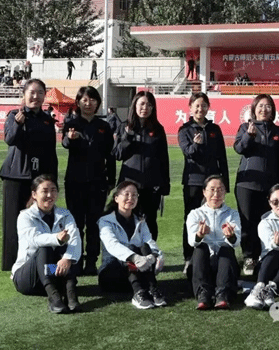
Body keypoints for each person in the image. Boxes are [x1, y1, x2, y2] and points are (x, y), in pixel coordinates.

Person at [0, 79, 58, 271]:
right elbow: (10, 139)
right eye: (32, 92)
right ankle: (12, 264)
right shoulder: (14, 115)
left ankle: (35, 262)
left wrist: (53, 182)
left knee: (39, 221)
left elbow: (51, 153)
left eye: (40, 93)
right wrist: (17, 124)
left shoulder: (48, 120)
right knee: (12, 223)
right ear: (24, 94)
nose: (36, 96)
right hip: (15, 177)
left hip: (38, 179)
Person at [62, 86, 116, 275]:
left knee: (94, 223)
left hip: (97, 181)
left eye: (92, 100)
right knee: (75, 223)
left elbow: (110, 155)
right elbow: (64, 143)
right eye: (84, 100)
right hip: (74, 181)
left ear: (98, 103)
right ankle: (75, 260)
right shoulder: (71, 123)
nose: (88, 103)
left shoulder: (104, 126)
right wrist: (71, 139)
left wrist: (111, 180)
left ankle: (92, 261)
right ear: (78, 102)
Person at [11, 175, 81, 314]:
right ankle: (54, 297)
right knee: (45, 248)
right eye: (44, 191)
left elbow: (75, 238)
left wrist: (67, 259)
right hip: (28, 279)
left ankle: (71, 294)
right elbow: (34, 239)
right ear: (34, 195)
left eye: (53, 190)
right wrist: (57, 238)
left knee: (70, 250)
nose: (50, 195)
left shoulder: (65, 214)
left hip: (52, 272)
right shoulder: (25, 216)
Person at [234, 94, 279, 276]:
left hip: (270, 186)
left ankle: (266, 255)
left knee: (268, 222)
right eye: (260, 106)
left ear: (273, 110)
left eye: (268, 106)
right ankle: (249, 257)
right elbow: (239, 148)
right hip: (247, 185)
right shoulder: (245, 127)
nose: (264, 109)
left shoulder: (278, 131)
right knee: (248, 223)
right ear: (254, 109)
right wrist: (249, 136)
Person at [178, 92, 229, 270]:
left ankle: (213, 254)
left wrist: (225, 183)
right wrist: (196, 145)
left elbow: (222, 157)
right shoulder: (184, 130)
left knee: (214, 218)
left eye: (204, 105)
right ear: (190, 108)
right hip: (193, 181)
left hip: (213, 183)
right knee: (191, 219)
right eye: (197, 105)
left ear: (208, 108)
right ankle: (189, 257)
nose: (200, 109)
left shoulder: (214, 129)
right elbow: (188, 153)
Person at [98, 181, 166, 309]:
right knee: (130, 249)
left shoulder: (140, 220)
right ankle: (138, 293)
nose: (131, 198)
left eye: (134, 195)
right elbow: (113, 245)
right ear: (116, 198)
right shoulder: (105, 221)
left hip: (138, 273)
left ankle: (152, 289)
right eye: (126, 194)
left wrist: (154, 256)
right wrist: (135, 257)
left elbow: (149, 241)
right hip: (112, 275)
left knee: (145, 247)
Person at [115, 91, 170, 240]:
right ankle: (128, 253)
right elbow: (118, 154)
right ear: (135, 105)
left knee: (150, 222)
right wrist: (128, 137)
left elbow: (164, 158)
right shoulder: (125, 127)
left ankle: (150, 252)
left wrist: (165, 184)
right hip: (129, 185)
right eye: (142, 104)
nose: (145, 108)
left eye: (149, 105)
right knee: (127, 221)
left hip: (152, 186)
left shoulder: (158, 129)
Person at [186, 175, 241, 309]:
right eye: (212, 190)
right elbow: (192, 242)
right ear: (204, 192)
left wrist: (231, 236)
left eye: (220, 190)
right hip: (203, 266)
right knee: (200, 248)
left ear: (225, 192)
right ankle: (203, 295)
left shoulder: (232, 214)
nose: (216, 194)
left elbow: (236, 242)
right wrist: (199, 235)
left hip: (224, 266)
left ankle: (222, 294)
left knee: (226, 247)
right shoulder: (195, 214)